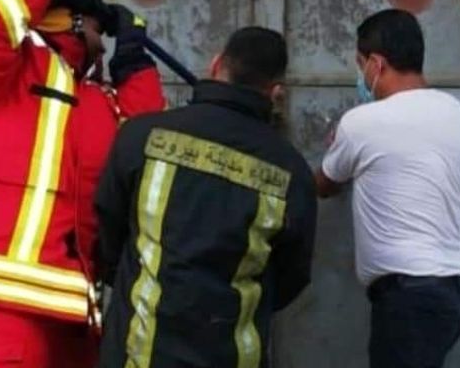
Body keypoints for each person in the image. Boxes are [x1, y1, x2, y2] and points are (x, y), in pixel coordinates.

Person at [0, 0, 165, 368]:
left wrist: (135, 63)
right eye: (100, 29)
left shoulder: (97, 100)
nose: (103, 44)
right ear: (74, 22)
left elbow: (144, 147)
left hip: (74, 313)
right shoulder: (7, 70)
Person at [94, 27, 317, 368]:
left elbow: (106, 238)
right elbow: (289, 278)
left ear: (216, 65)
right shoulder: (291, 172)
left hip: (139, 354)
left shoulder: (142, 136)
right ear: (275, 92)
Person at [316, 9, 460, 368]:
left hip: (409, 295)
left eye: (360, 66)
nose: (361, 76)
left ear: (376, 63)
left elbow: (325, 185)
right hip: (453, 289)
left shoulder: (362, 122)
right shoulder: (459, 115)